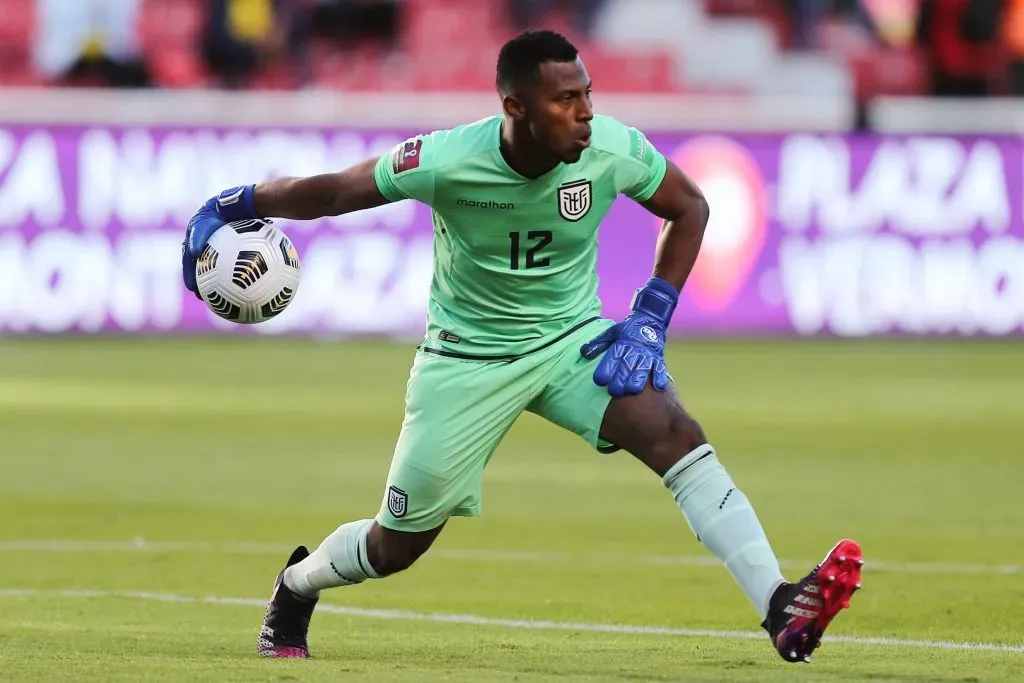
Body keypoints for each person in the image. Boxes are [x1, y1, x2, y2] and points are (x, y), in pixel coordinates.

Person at [181, 30, 862, 664]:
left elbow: (690, 208)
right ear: (515, 106)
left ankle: (779, 605)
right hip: (465, 361)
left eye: (588, 94)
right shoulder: (448, 159)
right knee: (398, 546)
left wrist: (651, 316)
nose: (586, 112)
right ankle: (298, 584)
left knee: (675, 432)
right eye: (567, 99)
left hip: (570, 343)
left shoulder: (610, 150)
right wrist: (236, 203)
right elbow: (332, 191)